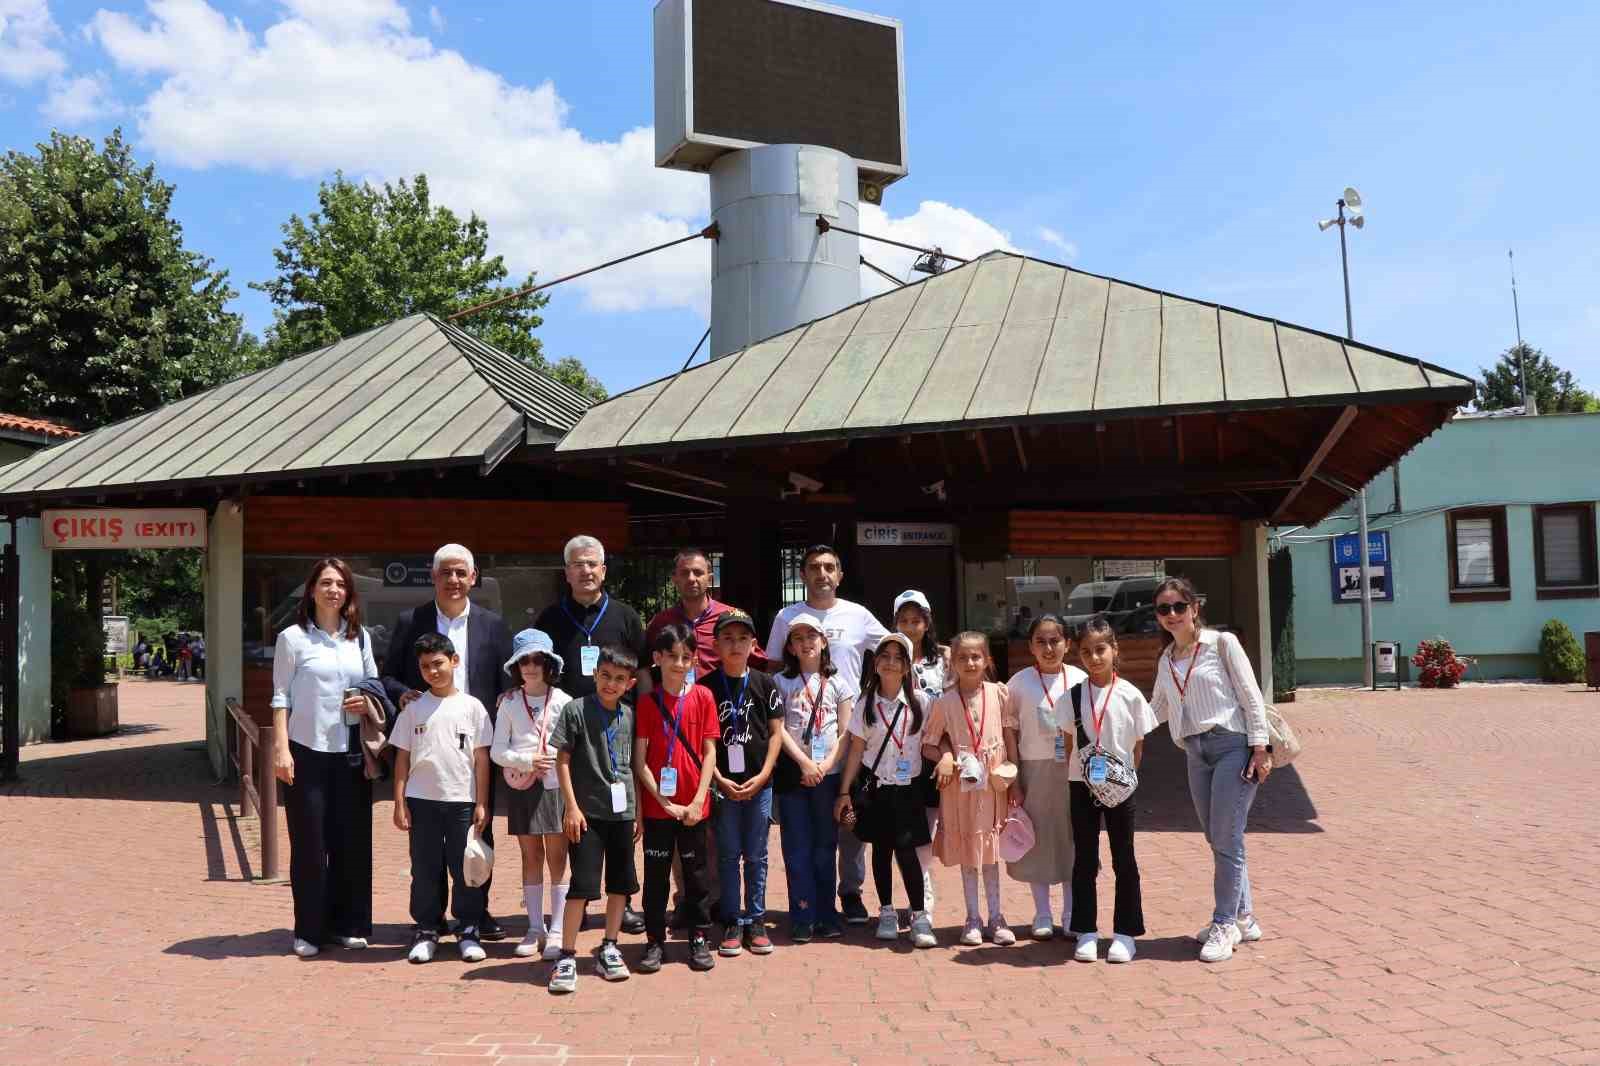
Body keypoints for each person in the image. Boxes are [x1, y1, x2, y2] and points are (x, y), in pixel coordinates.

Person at [382, 543, 514, 940]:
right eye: (446, 573)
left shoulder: (493, 624)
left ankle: (476, 914)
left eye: (461, 573)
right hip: (427, 747)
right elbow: (389, 676)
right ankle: (431, 919)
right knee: (426, 845)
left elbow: (507, 683)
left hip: (475, 743)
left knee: (476, 832)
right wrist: (403, 693)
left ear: (473, 577)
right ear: (433, 577)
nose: (454, 580)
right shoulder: (411, 621)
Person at [1147, 576, 1272, 964]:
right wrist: (1116, 729)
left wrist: (1260, 747)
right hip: (1195, 752)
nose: (1171, 615)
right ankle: (1245, 917)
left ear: (1194, 608)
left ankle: (1223, 924)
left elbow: (1251, 695)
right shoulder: (1167, 659)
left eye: (1178, 607)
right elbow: (1157, 708)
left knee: (1227, 837)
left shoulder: (1222, 644)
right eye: (1163, 609)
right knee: (1217, 837)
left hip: (1231, 746)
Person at [535, 534, 651, 935]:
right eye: (577, 564)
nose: (585, 571)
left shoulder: (625, 616)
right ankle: (580, 900)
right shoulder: (549, 619)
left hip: (617, 729)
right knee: (576, 816)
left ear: (603, 570)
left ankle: (624, 901)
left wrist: (647, 717)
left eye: (592, 564)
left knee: (619, 816)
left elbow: (645, 676)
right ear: (566, 572)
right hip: (572, 728)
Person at [766, 545, 888, 926]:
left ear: (840, 574)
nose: (822, 573)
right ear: (802, 574)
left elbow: (890, 649)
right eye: (814, 567)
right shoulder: (787, 616)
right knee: (807, 833)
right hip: (800, 739)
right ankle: (807, 907)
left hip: (850, 730)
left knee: (847, 817)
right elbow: (773, 669)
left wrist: (938, 651)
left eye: (830, 567)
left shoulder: (858, 614)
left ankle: (849, 892)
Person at [269, 557, 380, 959]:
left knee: (350, 841)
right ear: (312, 589)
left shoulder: (360, 638)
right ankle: (309, 931)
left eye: (341, 584)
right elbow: (280, 697)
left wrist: (364, 702)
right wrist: (281, 748)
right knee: (310, 844)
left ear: (348, 593)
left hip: (350, 752)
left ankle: (348, 925)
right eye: (326, 583)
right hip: (306, 750)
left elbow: (374, 684)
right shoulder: (292, 639)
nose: (334, 590)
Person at [389, 632, 494, 965]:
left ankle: (468, 929)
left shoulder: (473, 708)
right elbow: (402, 759)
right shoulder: (413, 710)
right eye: (425, 666)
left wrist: (482, 802)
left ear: (454, 661)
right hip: (422, 801)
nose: (432, 671)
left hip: (462, 800)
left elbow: (481, 760)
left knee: (465, 866)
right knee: (425, 867)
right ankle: (427, 929)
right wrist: (399, 802)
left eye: (438, 663)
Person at [549, 645, 642, 994]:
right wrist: (571, 807)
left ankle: (609, 946)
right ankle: (567, 954)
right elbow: (562, 761)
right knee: (583, 886)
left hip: (623, 813)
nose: (611, 684)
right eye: (605, 676)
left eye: (619, 679)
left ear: (629, 683)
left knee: (621, 884)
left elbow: (635, 766)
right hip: (586, 815)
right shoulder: (575, 710)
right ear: (595, 674)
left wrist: (640, 815)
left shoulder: (630, 716)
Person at [1064, 616, 1158, 964]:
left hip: (1121, 789)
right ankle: (1086, 931)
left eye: (1101, 649)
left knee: (1125, 858)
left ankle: (1125, 933)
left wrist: (1124, 779)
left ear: (1114, 650)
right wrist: (1080, 777)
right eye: (1086, 652)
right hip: (1081, 786)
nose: (1094, 657)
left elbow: (1138, 745)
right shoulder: (1072, 697)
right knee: (1084, 859)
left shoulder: (1131, 694)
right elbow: (1068, 741)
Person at [834, 633, 934, 948]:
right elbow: (855, 749)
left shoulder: (922, 703)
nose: (891, 662)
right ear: (875, 664)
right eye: (885, 656)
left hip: (908, 790)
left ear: (907, 666)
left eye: (898, 657)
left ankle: (919, 916)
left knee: (908, 852)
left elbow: (933, 742)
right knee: (881, 849)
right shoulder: (865, 703)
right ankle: (887, 912)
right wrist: (844, 791)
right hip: (876, 788)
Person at [633, 623, 720, 973]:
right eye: (672, 656)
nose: (679, 664)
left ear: (694, 659)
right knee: (655, 876)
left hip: (695, 808)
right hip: (659, 808)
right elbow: (639, 761)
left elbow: (710, 752)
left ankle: (698, 936)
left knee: (697, 874)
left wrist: (698, 799)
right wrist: (664, 802)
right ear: (657, 658)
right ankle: (655, 939)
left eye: (686, 657)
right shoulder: (647, 702)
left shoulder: (703, 698)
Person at [701, 609, 783, 958]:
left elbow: (778, 733)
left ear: (754, 644)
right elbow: (702, 742)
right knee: (727, 853)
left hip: (759, 784)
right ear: (716, 645)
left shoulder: (766, 683)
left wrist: (764, 774)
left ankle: (757, 919)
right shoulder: (705, 688)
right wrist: (718, 778)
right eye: (728, 639)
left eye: (743, 638)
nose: (736, 645)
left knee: (756, 854)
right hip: (723, 785)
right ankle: (733, 919)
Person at [926, 632, 1014, 947]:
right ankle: (972, 917)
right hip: (960, 790)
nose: (970, 663)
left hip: (992, 785)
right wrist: (947, 758)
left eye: (977, 656)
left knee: (991, 853)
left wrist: (1013, 773)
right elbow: (928, 743)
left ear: (987, 660)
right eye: (963, 657)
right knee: (968, 854)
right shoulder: (944, 701)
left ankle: (997, 917)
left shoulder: (999, 694)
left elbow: (1009, 735)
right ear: (953, 664)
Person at [490, 629, 574, 960]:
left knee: (557, 858)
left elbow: (572, 747)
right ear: (516, 666)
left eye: (537, 660)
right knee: (530, 857)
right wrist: (526, 760)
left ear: (548, 664)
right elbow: (498, 750)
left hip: (555, 788)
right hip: (523, 788)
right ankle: (535, 927)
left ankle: (557, 930)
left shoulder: (565, 702)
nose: (530, 667)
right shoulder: (509, 703)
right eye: (524, 661)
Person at [772, 613, 854, 942]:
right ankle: (802, 914)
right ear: (790, 647)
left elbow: (846, 732)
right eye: (798, 639)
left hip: (828, 777)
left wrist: (825, 764)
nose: (806, 644)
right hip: (795, 775)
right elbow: (778, 730)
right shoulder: (781, 682)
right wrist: (805, 763)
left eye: (811, 637)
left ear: (823, 642)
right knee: (796, 848)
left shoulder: (838, 684)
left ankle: (826, 913)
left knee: (825, 846)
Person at [1002, 613, 1083, 941]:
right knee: (1036, 839)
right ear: (1031, 647)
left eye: (1055, 641)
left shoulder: (1080, 679)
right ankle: (1042, 913)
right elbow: (1009, 731)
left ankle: (1072, 912)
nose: (1049, 648)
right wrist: (1015, 778)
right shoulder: (1019, 683)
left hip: (1073, 770)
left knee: (1071, 839)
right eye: (1041, 641)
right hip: (1033, 768)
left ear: (1068, 644)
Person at [893, 589, 949, 922]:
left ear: (927, 623)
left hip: (937, 752)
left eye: (917, 620)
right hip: (899, 755)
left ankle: (926, 883)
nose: (911, 627)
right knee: (910, 828)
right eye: (904, 620)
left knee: (934, 823)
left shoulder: (944, 658)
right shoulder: (889, 657)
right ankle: (921, 886)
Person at [645, 547, 771, 678]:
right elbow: (644, 667)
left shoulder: (731, 617)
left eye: (698, 572)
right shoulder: (661, 622)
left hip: (722, 697)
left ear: (710, 578)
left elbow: (760, 664)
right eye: (684, 573)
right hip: (676, 697)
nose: (691, 578)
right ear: (674, 579)